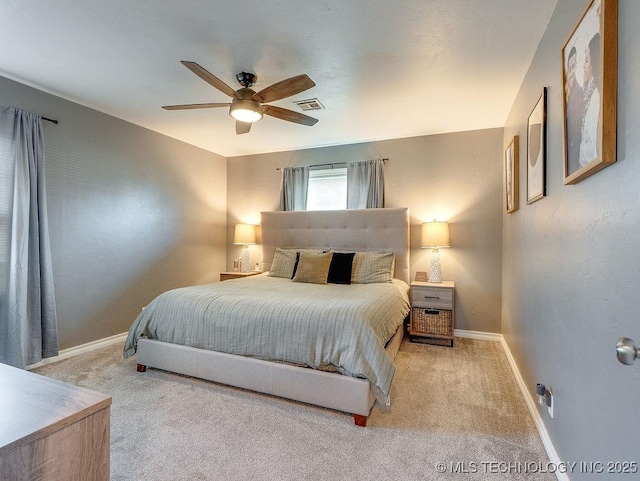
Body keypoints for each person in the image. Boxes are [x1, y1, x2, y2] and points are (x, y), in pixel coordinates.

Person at [579, 33, 601, 167]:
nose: (583, 66)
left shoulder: (596, 98)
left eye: (586, 60)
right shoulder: (587, 96)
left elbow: (592, 146)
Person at [565, 46, 583, 174]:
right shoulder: (566, 95)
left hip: (576, 155)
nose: (571, 73)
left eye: (573, 68)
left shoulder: (579, 92)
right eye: (569, 69)